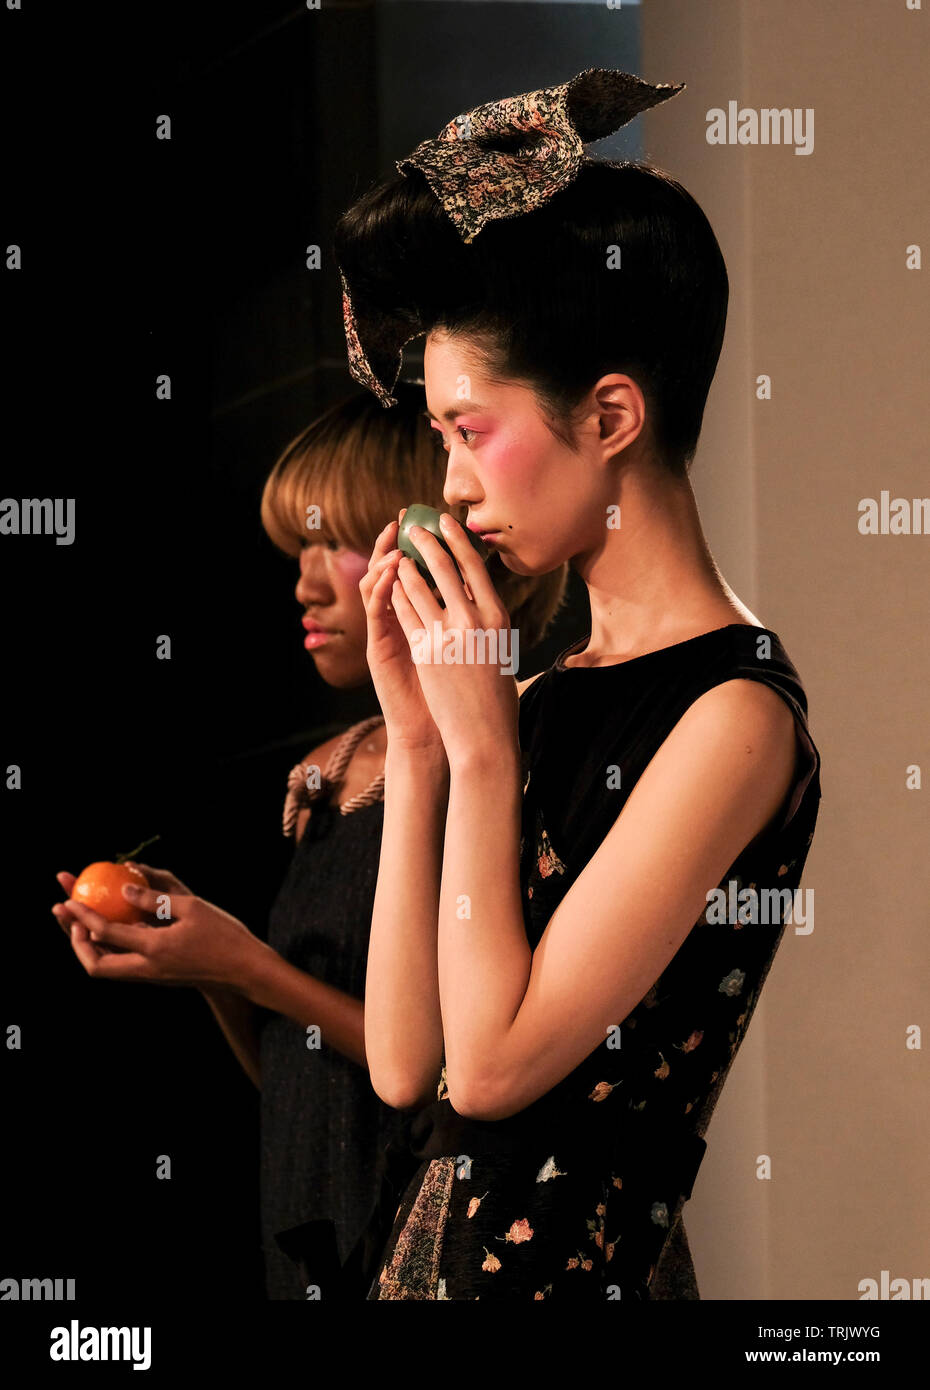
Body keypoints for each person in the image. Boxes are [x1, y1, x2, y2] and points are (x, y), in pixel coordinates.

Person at [331, 67, 823, 1300]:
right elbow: (405, 1060)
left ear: (609, 415)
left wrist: (486, 750)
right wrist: (428, 746)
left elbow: (492, 1069)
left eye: (469, 428)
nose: (450, 486)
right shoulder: (541, 696)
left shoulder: (736, 717)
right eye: (440, 438)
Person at [52, 380, 566, 1300]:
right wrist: (206, 963)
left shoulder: (487, 758)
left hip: (435, 1247)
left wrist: (246, 964)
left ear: (420, 539)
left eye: (331, 541)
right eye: (299, 548)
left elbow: (445, 1071)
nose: (303, 580)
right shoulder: (341, 772)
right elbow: (305, 1079)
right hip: (315, 1231)